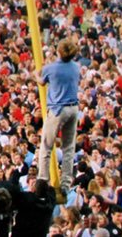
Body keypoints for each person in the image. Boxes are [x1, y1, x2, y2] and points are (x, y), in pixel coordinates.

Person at [37, 39, 82, 202]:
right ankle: (65, 184)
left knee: (46, 146)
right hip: (73, 108)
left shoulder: (51, 68)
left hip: (57, 109)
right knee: (69, 148)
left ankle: (42, 179)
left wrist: (37, 73)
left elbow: (41, 81)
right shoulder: (76, 67)